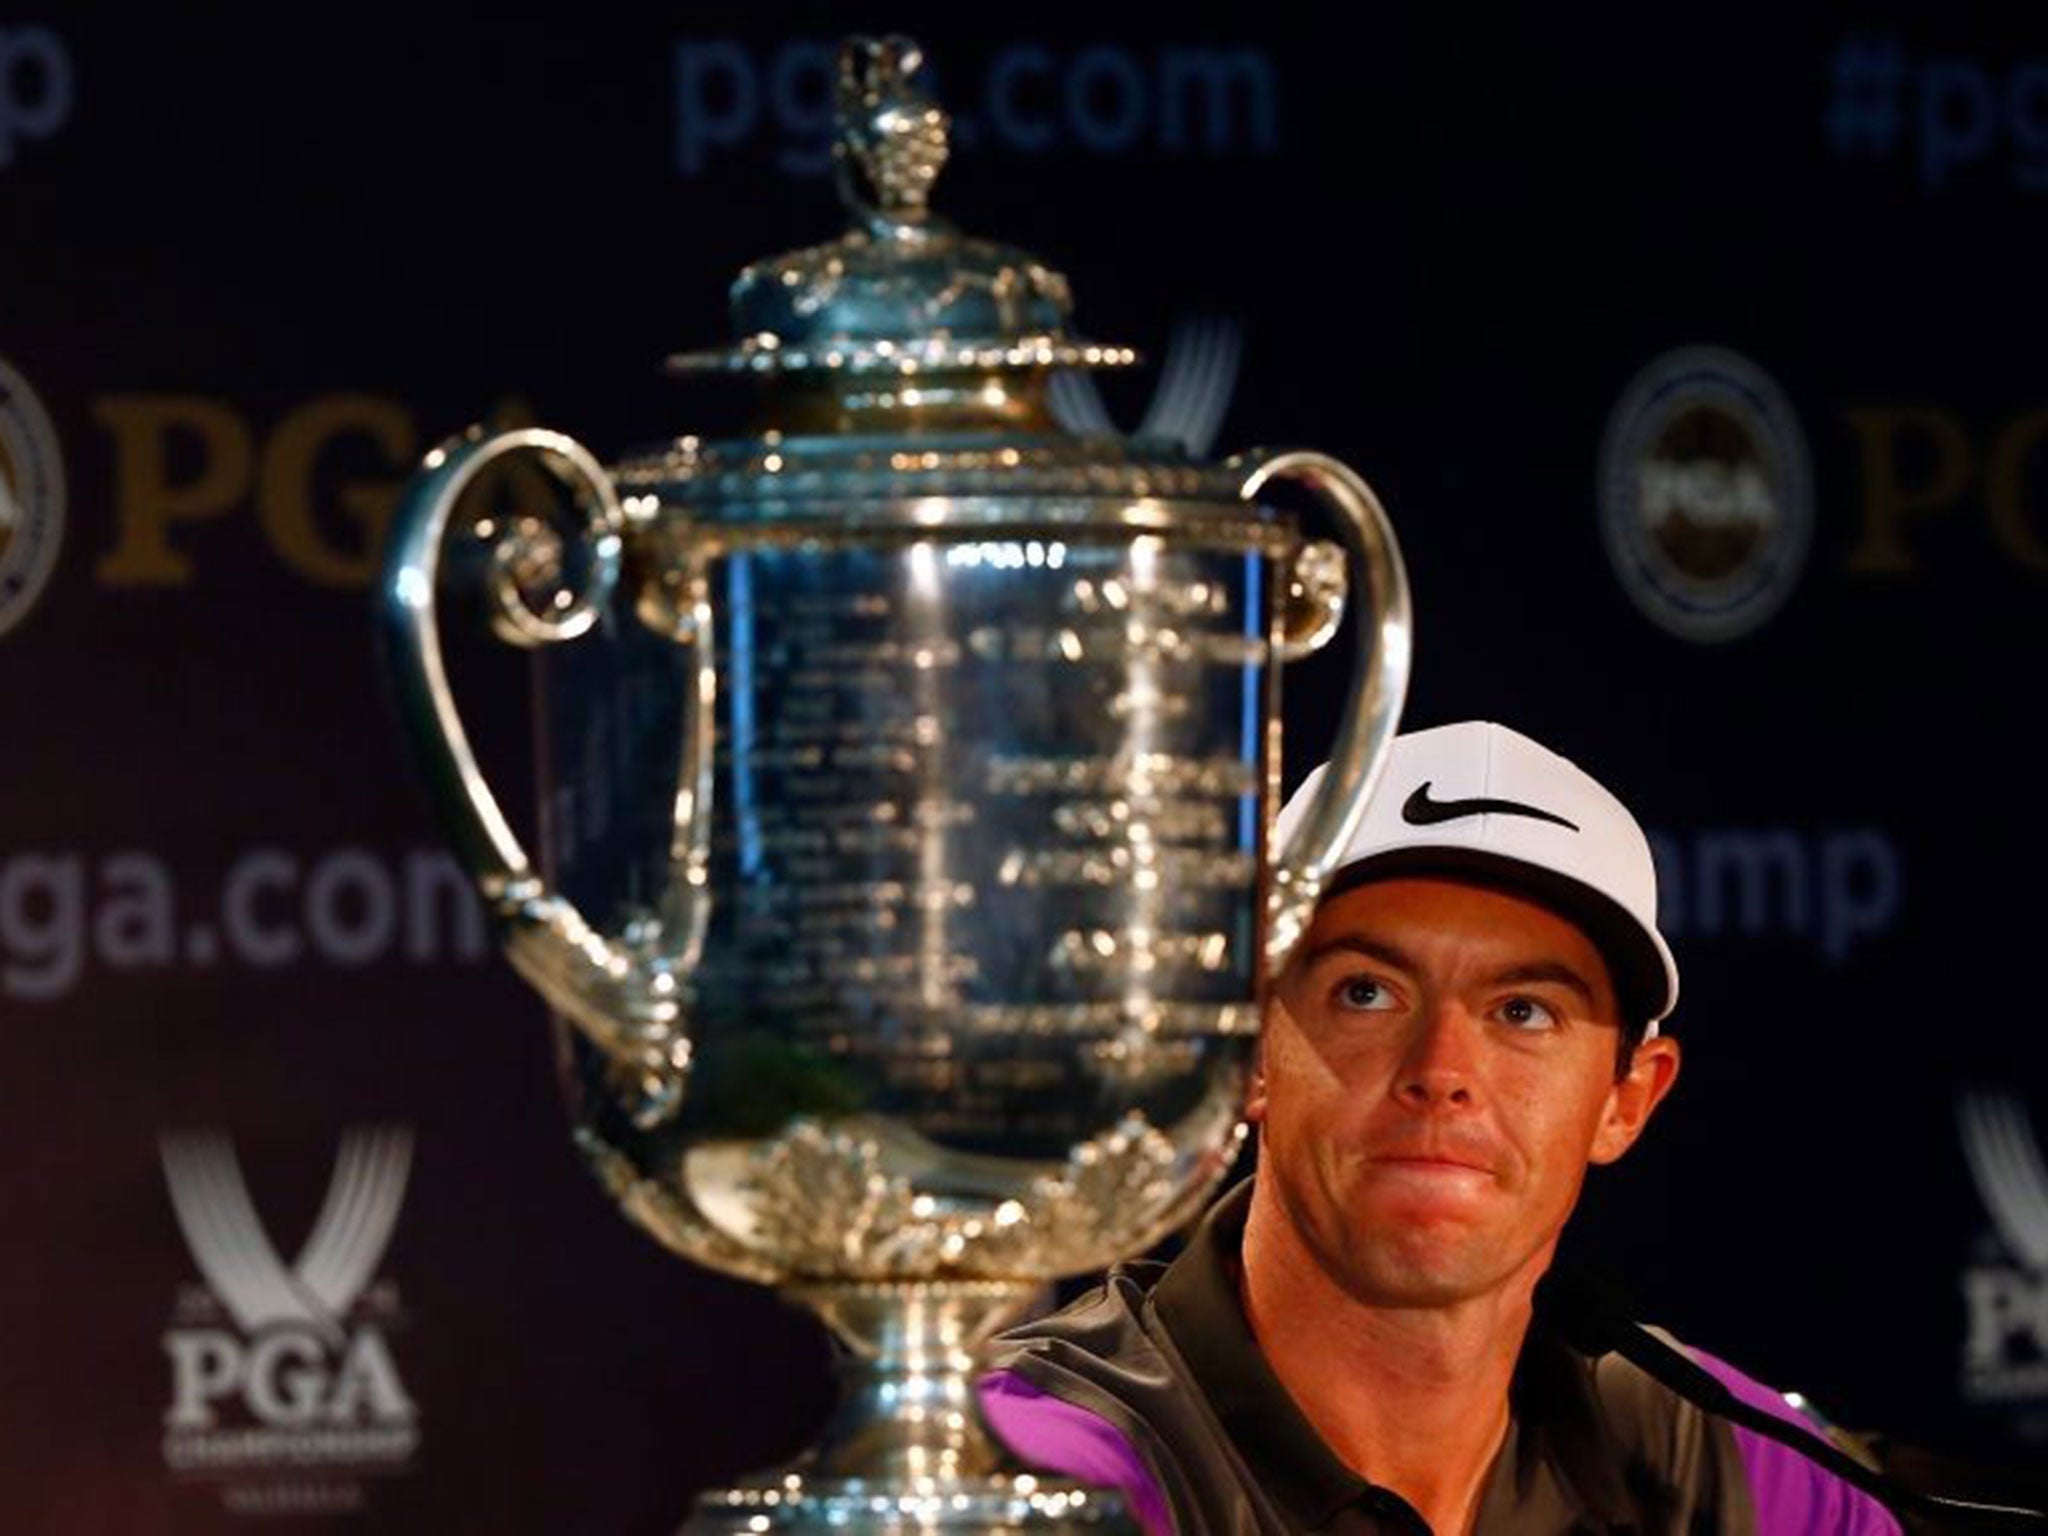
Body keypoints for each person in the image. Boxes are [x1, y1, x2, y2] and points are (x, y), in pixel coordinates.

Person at [980, 721, 1899, 1535]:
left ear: (1627, 1100)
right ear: (1246, 1058)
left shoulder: (1710, 1461)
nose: (1441, 1074)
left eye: (1525, 1011)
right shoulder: (1045, 1466)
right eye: (1367, 993)